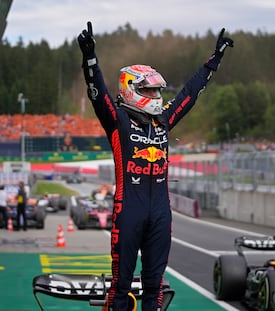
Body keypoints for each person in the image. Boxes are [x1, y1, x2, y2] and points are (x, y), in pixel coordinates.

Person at [77, 21, 233, 311]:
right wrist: (90, 59)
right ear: (131, 90)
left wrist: (213, 62)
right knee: (120, 287)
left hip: (161, 212)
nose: (156, 98)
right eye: (149, 92)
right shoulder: (118, 121)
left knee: (155, 287)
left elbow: (190, 93)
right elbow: (96, 91)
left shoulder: (163, 120)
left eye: (157, 91)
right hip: (129, 211)